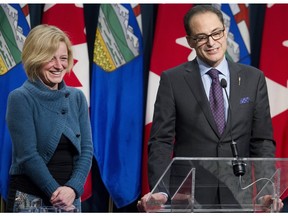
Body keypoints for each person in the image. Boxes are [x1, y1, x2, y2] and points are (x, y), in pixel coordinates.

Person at [138, 5, 282, 212]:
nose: (211, 42)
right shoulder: (173, 79)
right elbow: (161, 141)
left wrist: (265, 190)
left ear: (225, 31)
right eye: (202, 37)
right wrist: (161, 190)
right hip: (188, 194)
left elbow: (262, 141)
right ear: (190, 41)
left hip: (237, 194)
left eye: (216, 33)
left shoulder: (253, 78)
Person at [5, 24, 93, 212]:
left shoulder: (77, 98)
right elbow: (27, 156)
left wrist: (72, 189)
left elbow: (86, 150)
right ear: (35, 58)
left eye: (63, 58)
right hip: (30, 199)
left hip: (70, 200)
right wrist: (57, 194)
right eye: (51, 59)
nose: (59, 65)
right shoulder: (20, 98)